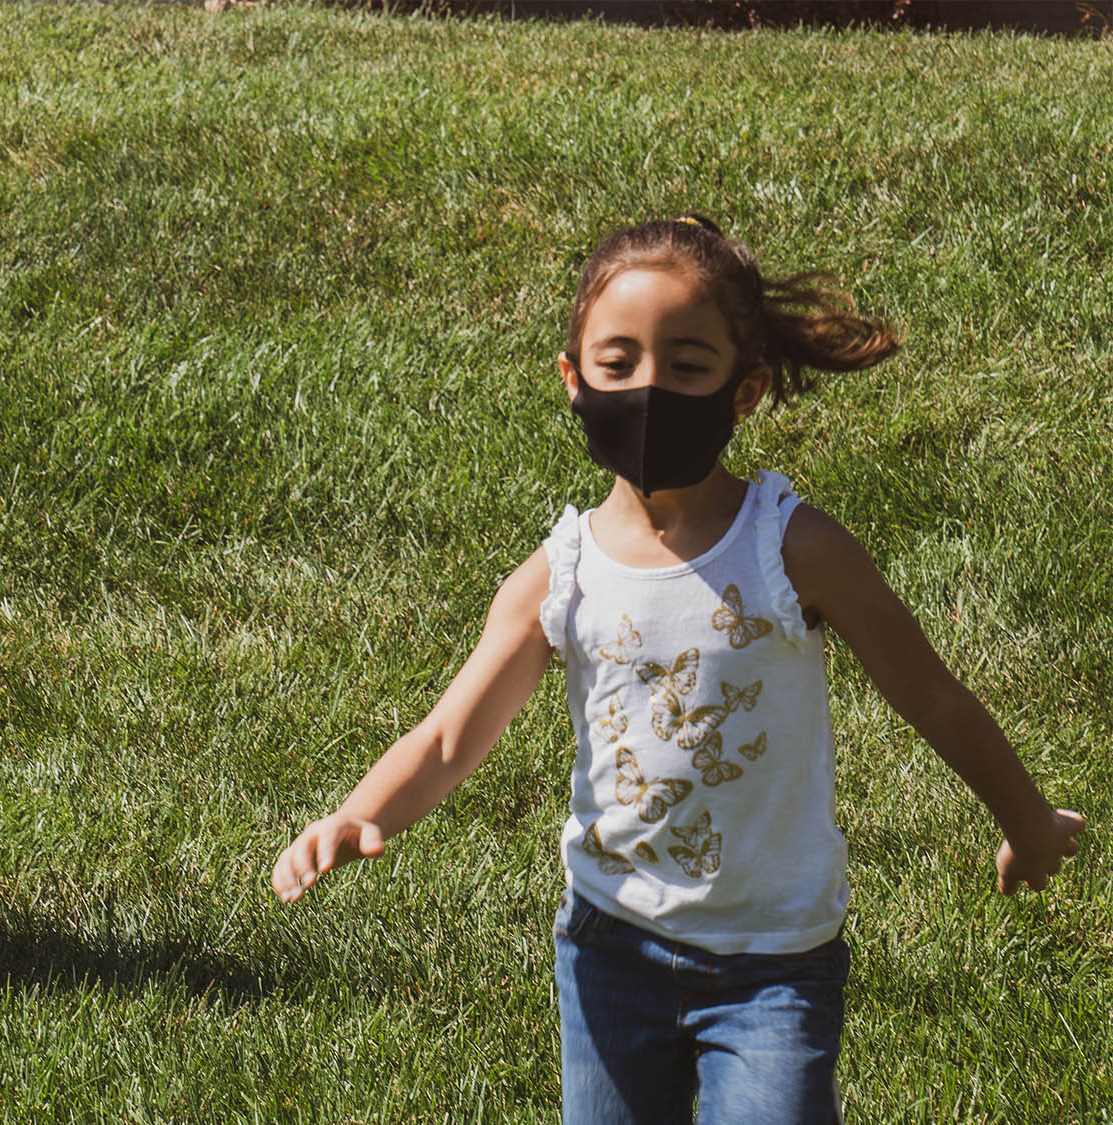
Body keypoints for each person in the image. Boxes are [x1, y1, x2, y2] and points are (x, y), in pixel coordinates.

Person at [269, 215, 1085, 1121]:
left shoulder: (793, 548)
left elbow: (929, 692)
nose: (650, 388)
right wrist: (358, 813)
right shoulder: (563, 571)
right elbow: (451, 734)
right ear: (572, 379)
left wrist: (1026, 816)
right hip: (609, 946)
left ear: (746, 390)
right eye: (618, 362)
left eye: (688, 364)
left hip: (773, 960)